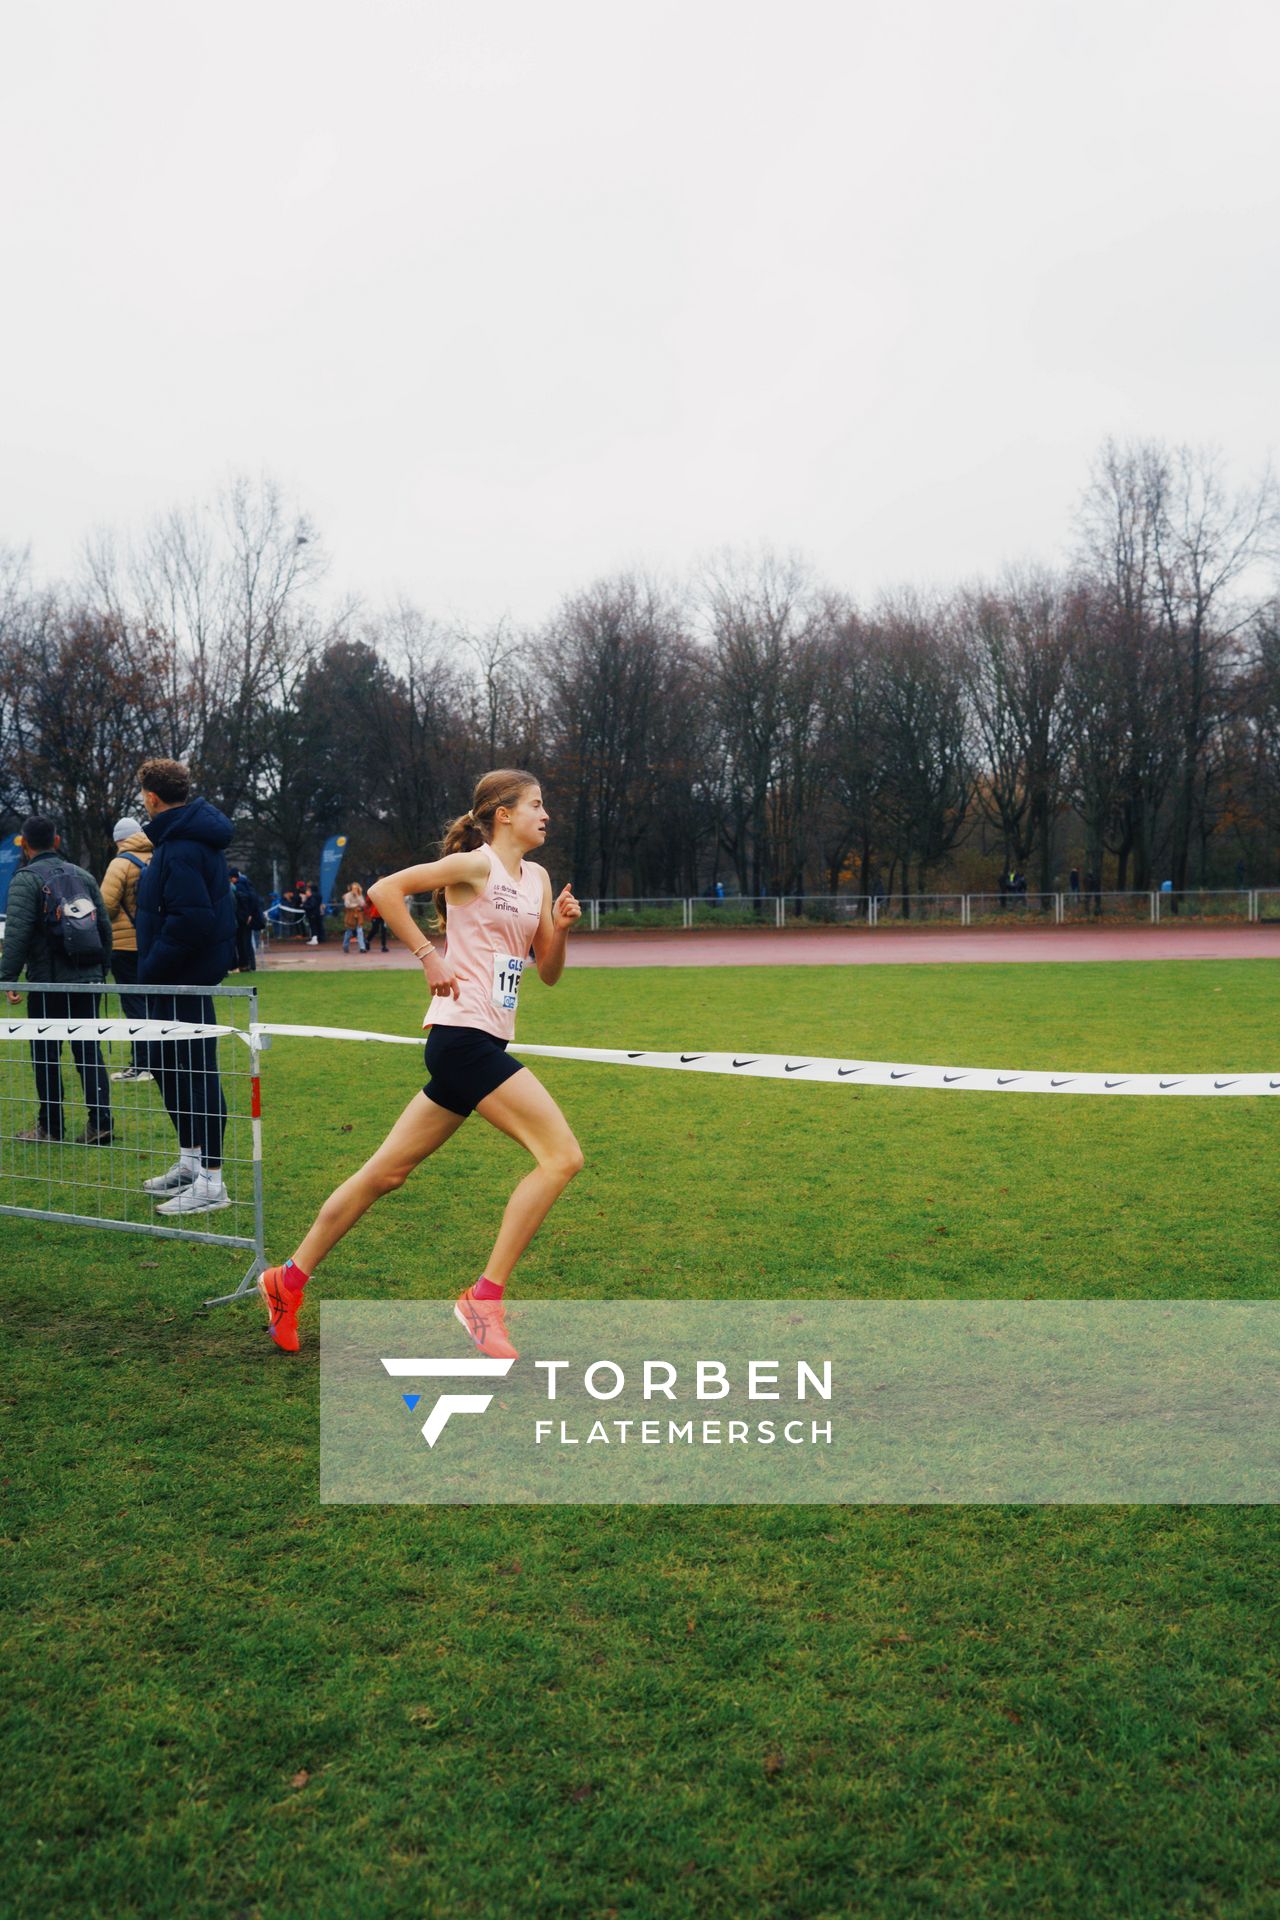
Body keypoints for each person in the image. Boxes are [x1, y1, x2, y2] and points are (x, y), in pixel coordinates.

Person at [256, 768, 582, 1359]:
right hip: (461, 1039)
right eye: (536, 805)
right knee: (561, 1157)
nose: (546, 815)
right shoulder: (475, 866)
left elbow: (549, 973)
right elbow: (384, 891)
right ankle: (483, 1300)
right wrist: (430, 956)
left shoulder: (536, 878)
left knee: (385, 1174)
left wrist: (558, 931)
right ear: (503, 813)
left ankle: (288, 1279)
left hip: (487, 1039)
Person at [134, 757, 237, 1216]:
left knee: (197, 1077)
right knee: (172, 1073)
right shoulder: (179, 842)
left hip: (182, 984)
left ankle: (212, 1180)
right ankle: (192, 1163)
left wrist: (151, 968)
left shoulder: (180, 848)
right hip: (173, 983)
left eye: (142, 796)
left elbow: (191, 921)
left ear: (152, 798)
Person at [1, 815, 113, 1143]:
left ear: (25, 844)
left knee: (46, 1055)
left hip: (47, 982)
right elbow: (104, 927)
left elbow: (18, 933)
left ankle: (50, 1127)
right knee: (89, 1053)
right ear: (57, 840)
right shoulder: (83, 875)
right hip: (87, 980)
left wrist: (8, 977)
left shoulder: (25, 879)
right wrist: (100, 970)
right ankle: (101, 1122)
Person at [100, 815, 154, 1082]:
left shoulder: (120, 863)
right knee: (156, 1004)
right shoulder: (158, 856)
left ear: (118, 840)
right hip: (156, 943)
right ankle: (161, 1063)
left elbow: (105, 905)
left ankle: (142, 1065)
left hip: (126, 944)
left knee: (134, 1006)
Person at [227, 867, 265, 972]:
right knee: (247, 942)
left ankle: (244, 965)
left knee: (242, 943)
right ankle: (250, 965)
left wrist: (247, 915)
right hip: (247, 917)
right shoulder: (247, 885)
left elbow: (243, 901)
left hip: (242, 918)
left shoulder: (239, 887)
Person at [342, 880, 368, 954]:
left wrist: (357, 896)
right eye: (353, 888)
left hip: (359, 914)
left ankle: (362, 948)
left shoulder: (359, 895)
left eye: (356, 888)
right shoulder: (347, 895)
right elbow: (347, 905)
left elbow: (363, 904)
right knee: (349, 932)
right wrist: (356, 906)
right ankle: (345, 946)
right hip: (350, 915)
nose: (355, 890)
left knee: (360, 931)